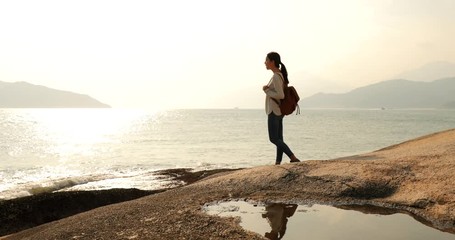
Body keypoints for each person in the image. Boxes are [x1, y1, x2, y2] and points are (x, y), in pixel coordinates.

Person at [262, 52, 300, 165]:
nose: (265, 62)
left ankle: (292, 157)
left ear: (272, 62)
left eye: (266, 60)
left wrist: (267, 90)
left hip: (274, 111)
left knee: (273, 139)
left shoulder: (276, 76)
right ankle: (278, 162)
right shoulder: (278, 75)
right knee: (279, 139)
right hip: (277, 110)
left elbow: (280, 95)